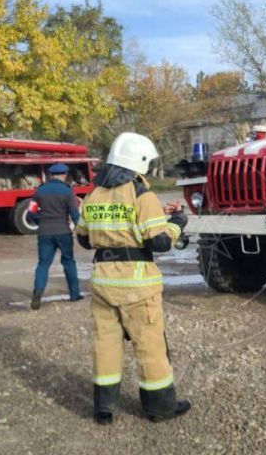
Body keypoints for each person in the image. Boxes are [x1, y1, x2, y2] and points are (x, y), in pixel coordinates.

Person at [74, 132, 190, 425]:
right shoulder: (142, 194)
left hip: (103, 282)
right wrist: (176, 224)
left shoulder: (93, 194)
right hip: (137, 285)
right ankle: (160, 409)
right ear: (138, 161)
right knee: (150, 346)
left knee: (106, 344)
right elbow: (159, 243)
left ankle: (104, 409)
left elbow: (85, 240)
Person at [30, 163, 82, 309]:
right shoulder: (67, 191)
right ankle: (74, 294)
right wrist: (82, 231)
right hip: (63, 232)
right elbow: (75, 214)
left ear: (51, 175)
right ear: (64, 175)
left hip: (44, 232)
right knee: (68, 262)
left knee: (43, 264)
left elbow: (30, 212)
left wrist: (40, 222)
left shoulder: (39, 191)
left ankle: (38, 291)